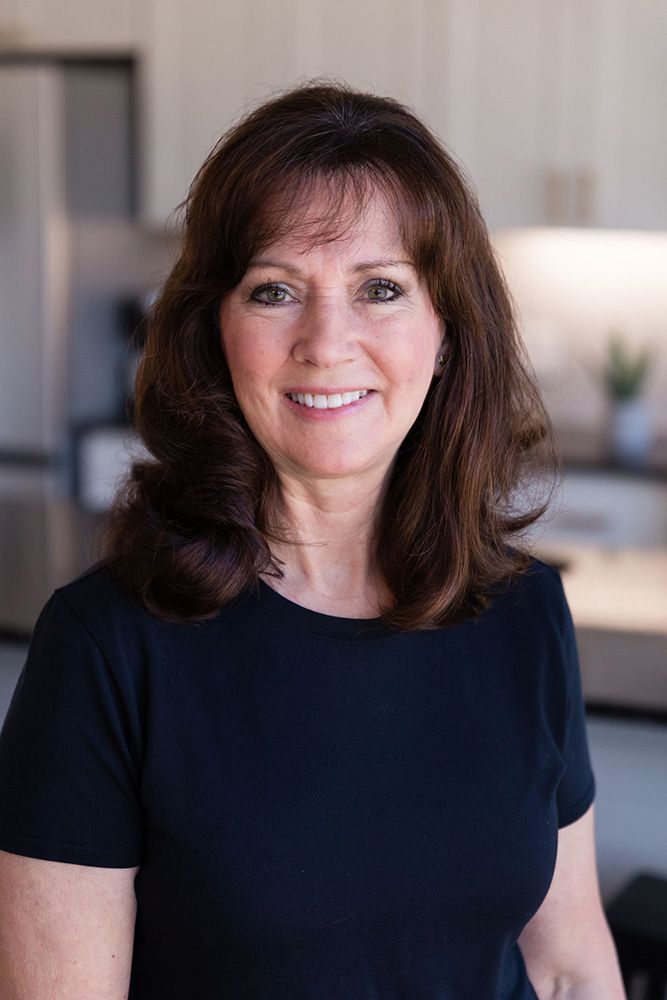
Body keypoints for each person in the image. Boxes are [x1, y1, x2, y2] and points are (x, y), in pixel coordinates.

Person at [0, 82, 624, 999]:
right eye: (275, 290)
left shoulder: (524, 612)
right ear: (216, 331)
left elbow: (567, 964)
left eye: (380, 288)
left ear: (444, 332)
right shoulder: (106, 651)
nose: (326, 342)